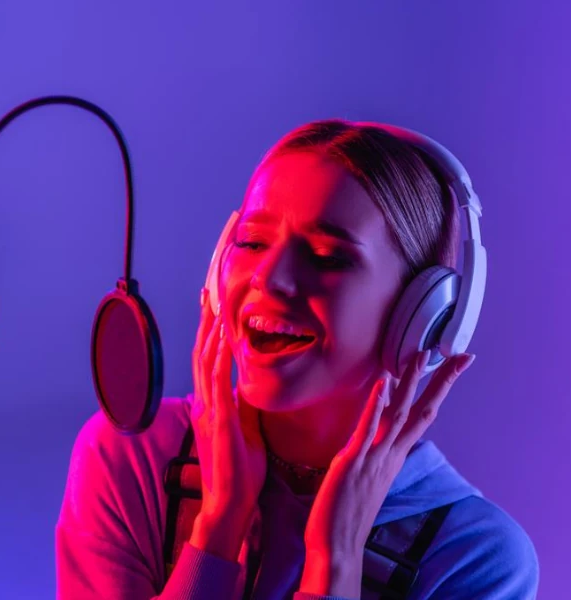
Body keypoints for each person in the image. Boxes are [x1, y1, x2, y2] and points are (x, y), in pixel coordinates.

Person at [55, 119, 539, 599]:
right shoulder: (131, 459)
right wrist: (218, 526)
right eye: (251, 243)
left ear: (421, 313)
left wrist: (337, 563)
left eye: (328, 256)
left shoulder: (478, 560)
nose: (269, 279)